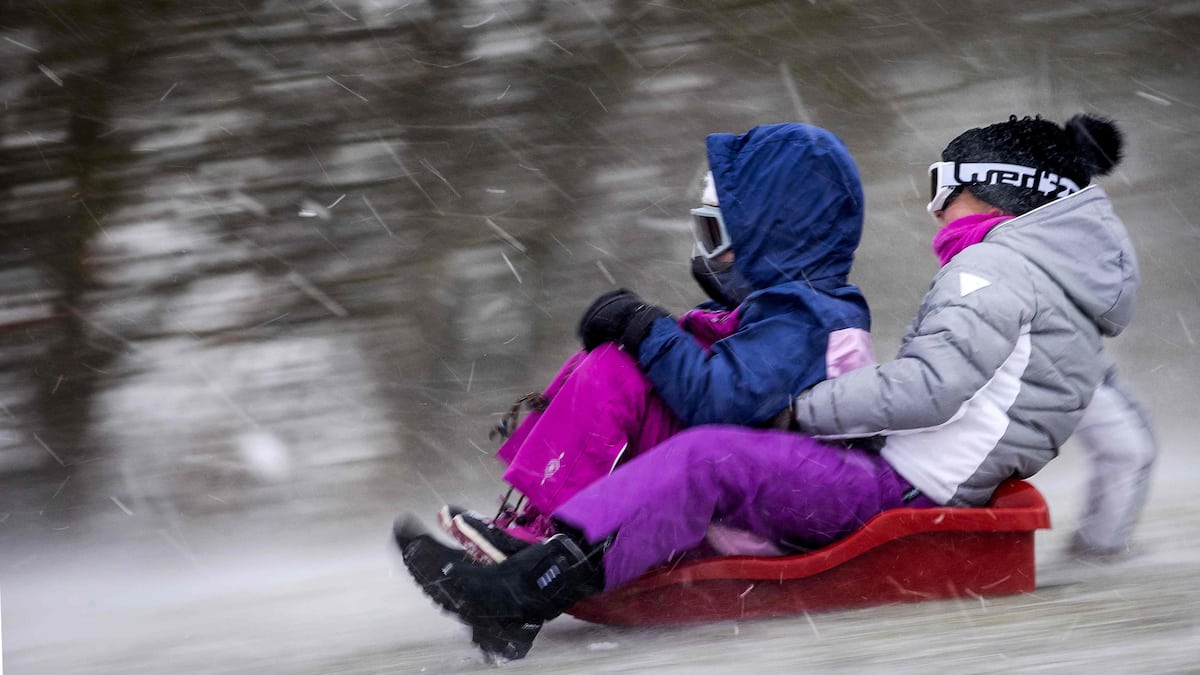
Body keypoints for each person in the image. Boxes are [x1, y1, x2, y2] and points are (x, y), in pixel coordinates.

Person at [394, 112, 1141, 661]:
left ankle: (525, 592)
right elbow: (1118, 440)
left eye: (945, 185)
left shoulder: (992, 271)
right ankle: (528, 564)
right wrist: (1101, 544)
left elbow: (930, 390)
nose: (934, 207)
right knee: (712, 449)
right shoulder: (1063, 294)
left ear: (1002, 190)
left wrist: (801, 413)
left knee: (713, 457)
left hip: (896, 486)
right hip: (919, 480)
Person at [441, 122, 875, 560]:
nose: (706, 254)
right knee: (612, 363)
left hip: (761, 494)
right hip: (731, 469)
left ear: (770, 234)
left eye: (715, 235)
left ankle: (554, 535)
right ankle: (535, 521)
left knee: (615, 374)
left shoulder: (810, 316)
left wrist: (645, 327)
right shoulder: (787, 309)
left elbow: (723, 402)